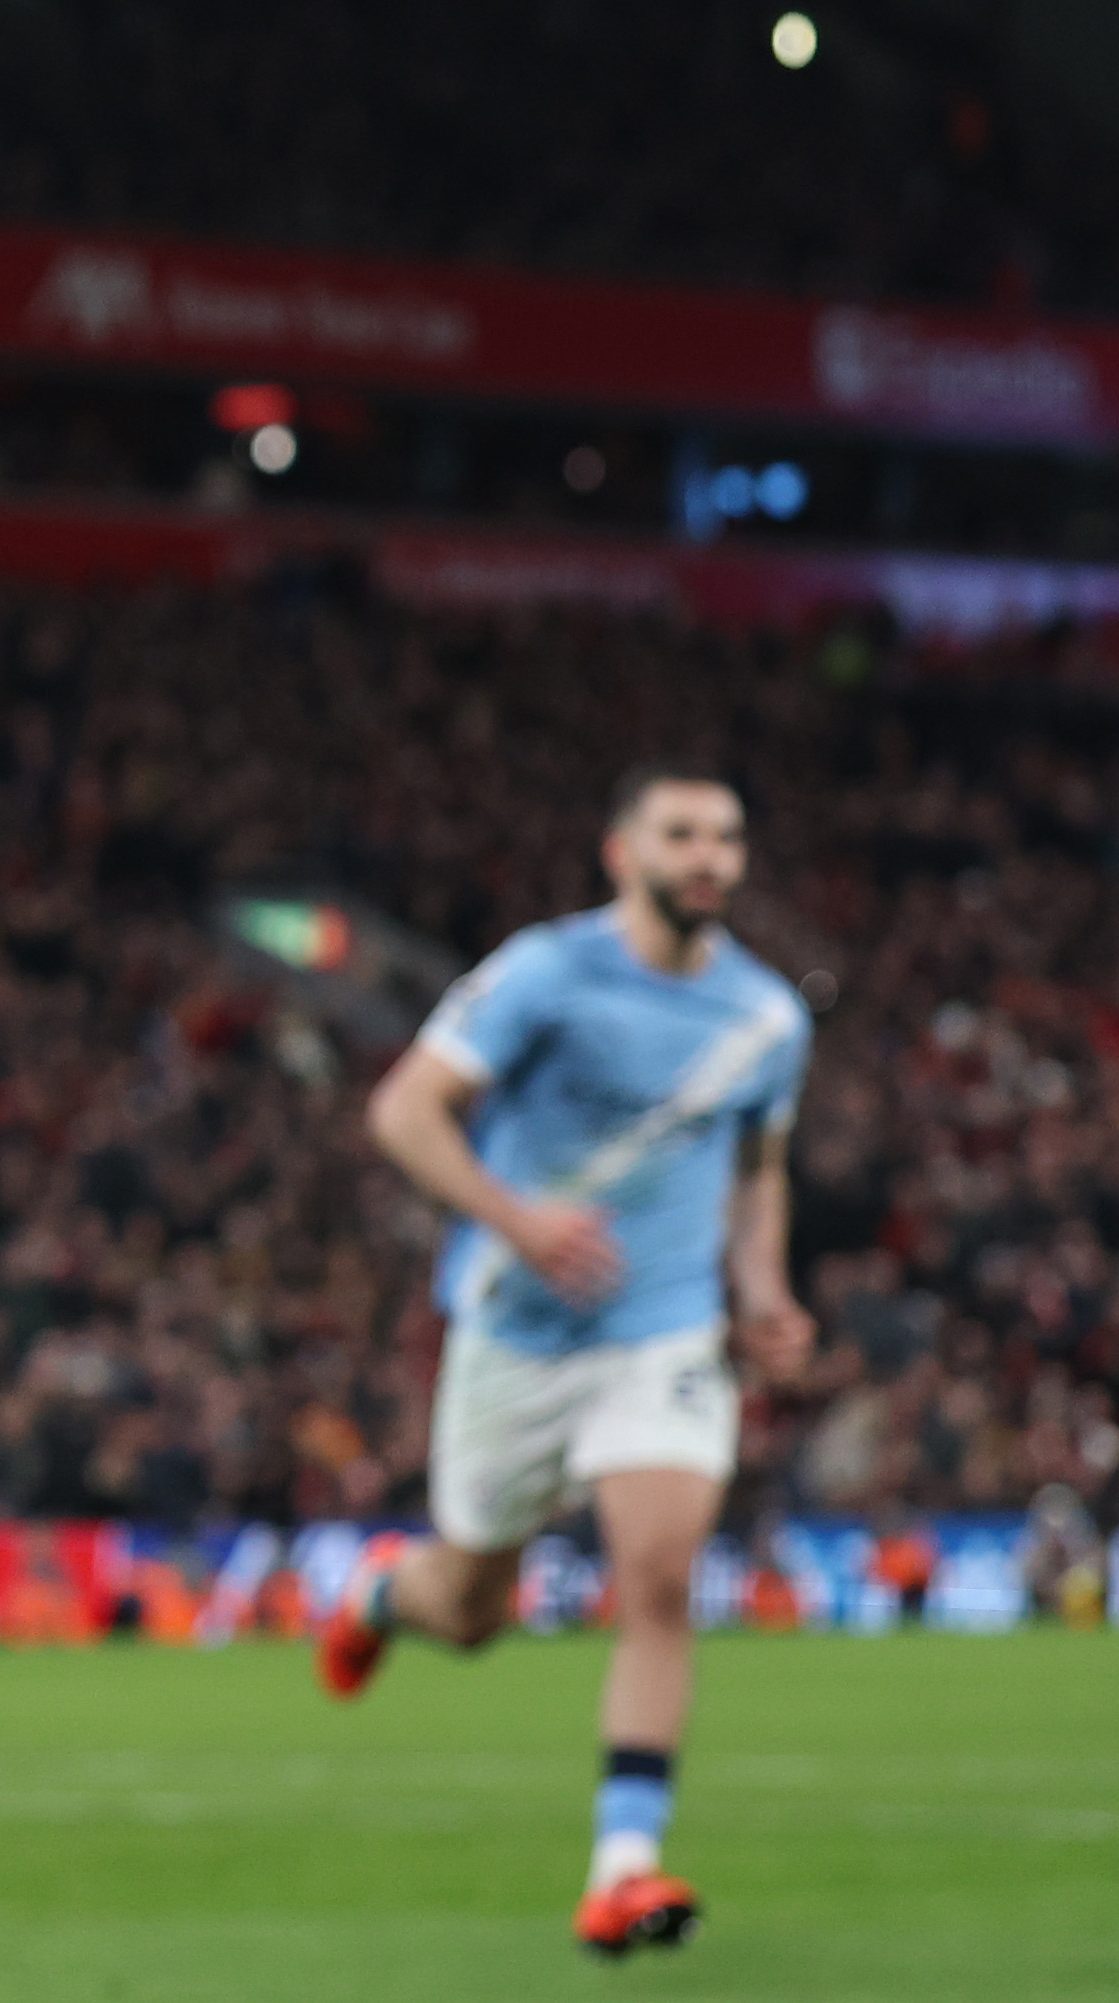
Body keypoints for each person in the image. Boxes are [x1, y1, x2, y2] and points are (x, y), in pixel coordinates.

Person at [321, 766, 814, 1960]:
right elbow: (404, 1111)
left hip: (664, 1333)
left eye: (727, 837)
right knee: (469, 1610)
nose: (708, 857)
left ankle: (622, 1868)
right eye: (682, 834)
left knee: (656, 1581)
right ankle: (390, 1593)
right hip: (515, 1331)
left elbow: (757, 1173)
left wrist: (761, 1294)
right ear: (620, 852)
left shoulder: (766, 1019)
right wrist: (516, 1219)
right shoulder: (545, 972)